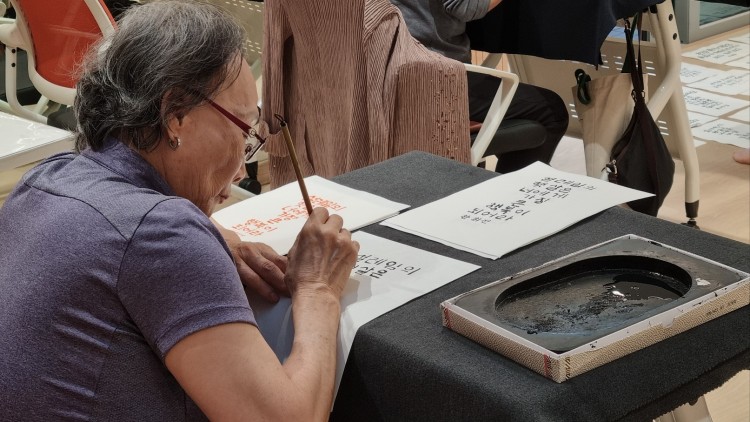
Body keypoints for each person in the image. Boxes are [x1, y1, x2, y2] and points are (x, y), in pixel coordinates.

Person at [0, 1, 359, 420]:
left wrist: (221, 239)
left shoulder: (46, 178)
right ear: (175, 116)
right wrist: (318, 289)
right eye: (243, 132)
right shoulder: (163, 234)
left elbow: (124, 241)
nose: (242, 168)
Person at [390, 0, 570, 173]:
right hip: (435, 79)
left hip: (391, 74)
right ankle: (507, 191)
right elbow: (464, 7)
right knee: (551, 112)